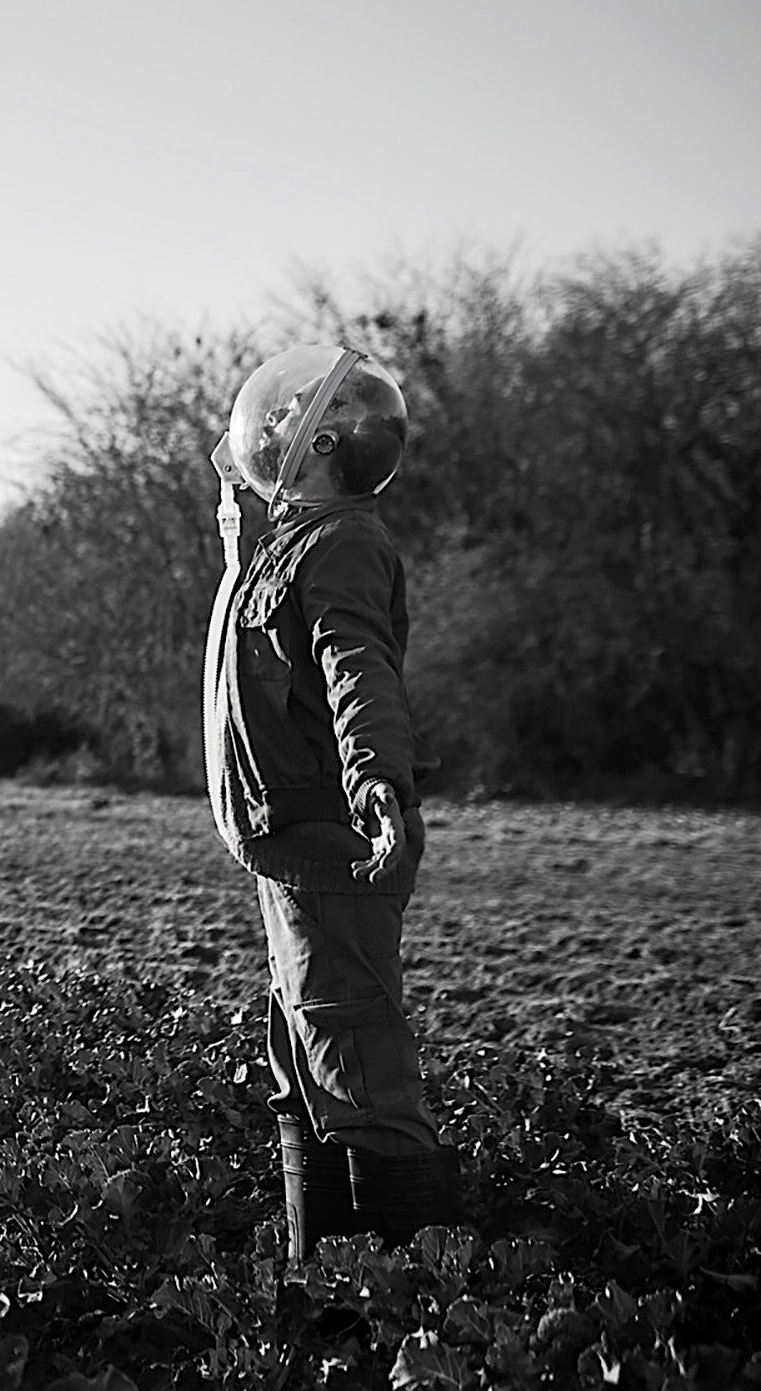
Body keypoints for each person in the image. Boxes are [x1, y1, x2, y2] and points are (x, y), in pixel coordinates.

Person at [202, 345, 460, 1259]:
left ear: (319, 446)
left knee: (360, 1076)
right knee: (305, 1074)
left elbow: (359, 669)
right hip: (290, 847)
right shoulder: (293, 543)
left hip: (334, 841)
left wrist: (378, 786)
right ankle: (327, 1299)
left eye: (289, 417)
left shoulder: (343, 542)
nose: (268, 426)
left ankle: (421, 1315)